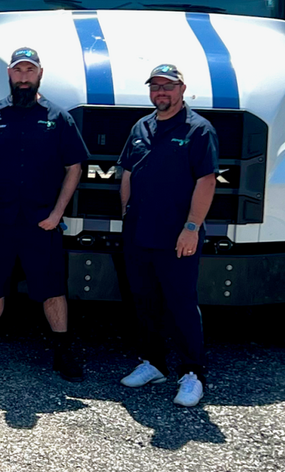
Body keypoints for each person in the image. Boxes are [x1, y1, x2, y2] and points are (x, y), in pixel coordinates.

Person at [0, 47, 89, 381]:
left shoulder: (58, 118)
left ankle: (62, 351)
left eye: (30, 71)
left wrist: (58, 212)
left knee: (52, 289)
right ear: (10, 75)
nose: (24, 77)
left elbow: (75, 166)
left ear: (40, 74)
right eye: (19, 71)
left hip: (40, 223)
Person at [117, 63, 219, 408]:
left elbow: (206, 181)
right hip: (139, 231)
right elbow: (128, 171)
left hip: (178, 235)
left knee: (181, 304)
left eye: (168, 86)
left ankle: (193, 373)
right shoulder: (141, 126)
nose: (161, 92)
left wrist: (191, 228)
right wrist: (125, 212)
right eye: (156, 86)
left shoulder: (198, 130)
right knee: (144, 300)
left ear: (182, 89)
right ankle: (154, 363)